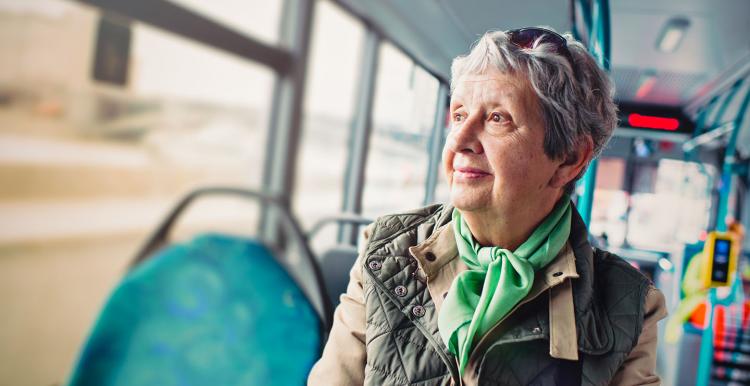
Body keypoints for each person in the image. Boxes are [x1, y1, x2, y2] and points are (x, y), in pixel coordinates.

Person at [308, 27, 668, 386]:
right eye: (460, 114)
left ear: (569, 159)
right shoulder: (386, 250)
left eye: (498, 118)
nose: (461, 140)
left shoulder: (629, 305)